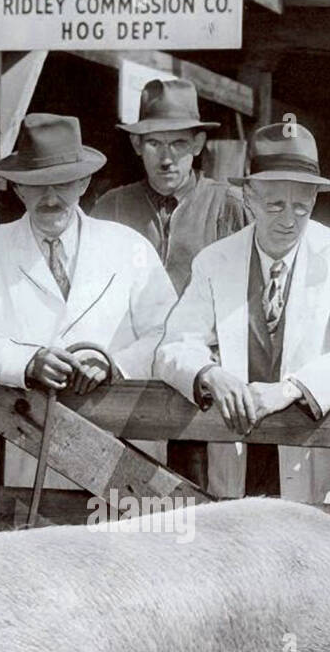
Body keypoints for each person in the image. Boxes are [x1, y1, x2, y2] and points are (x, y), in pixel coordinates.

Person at [0, 114, 177, 489]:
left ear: (83, 182)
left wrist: (114, 364)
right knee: (43, 544)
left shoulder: (129, 247)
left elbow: (170, 333)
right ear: (18, 189)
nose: (50, 199)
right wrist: (26, 362)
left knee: (131, 542)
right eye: (37, 185)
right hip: (30, 455)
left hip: (127, 452)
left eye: (62, 183)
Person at [154, 122, 330, 503]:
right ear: (249, 198)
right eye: (275, 205)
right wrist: (210, 375)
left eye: (301, 207)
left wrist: (290, 389)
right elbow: (174, 346)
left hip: (310, 453)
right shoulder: (215, 261)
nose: (289, 220)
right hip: (239, 457)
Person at [94, 78, 250, 489]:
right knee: (127, 502)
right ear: (136, 146)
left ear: (199, 144)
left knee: (203, 503)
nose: (167, 159)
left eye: (178, 144)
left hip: (201, 382)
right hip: (127, 382)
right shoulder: (111, 207)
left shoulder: (229, 206)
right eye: (154, 144)